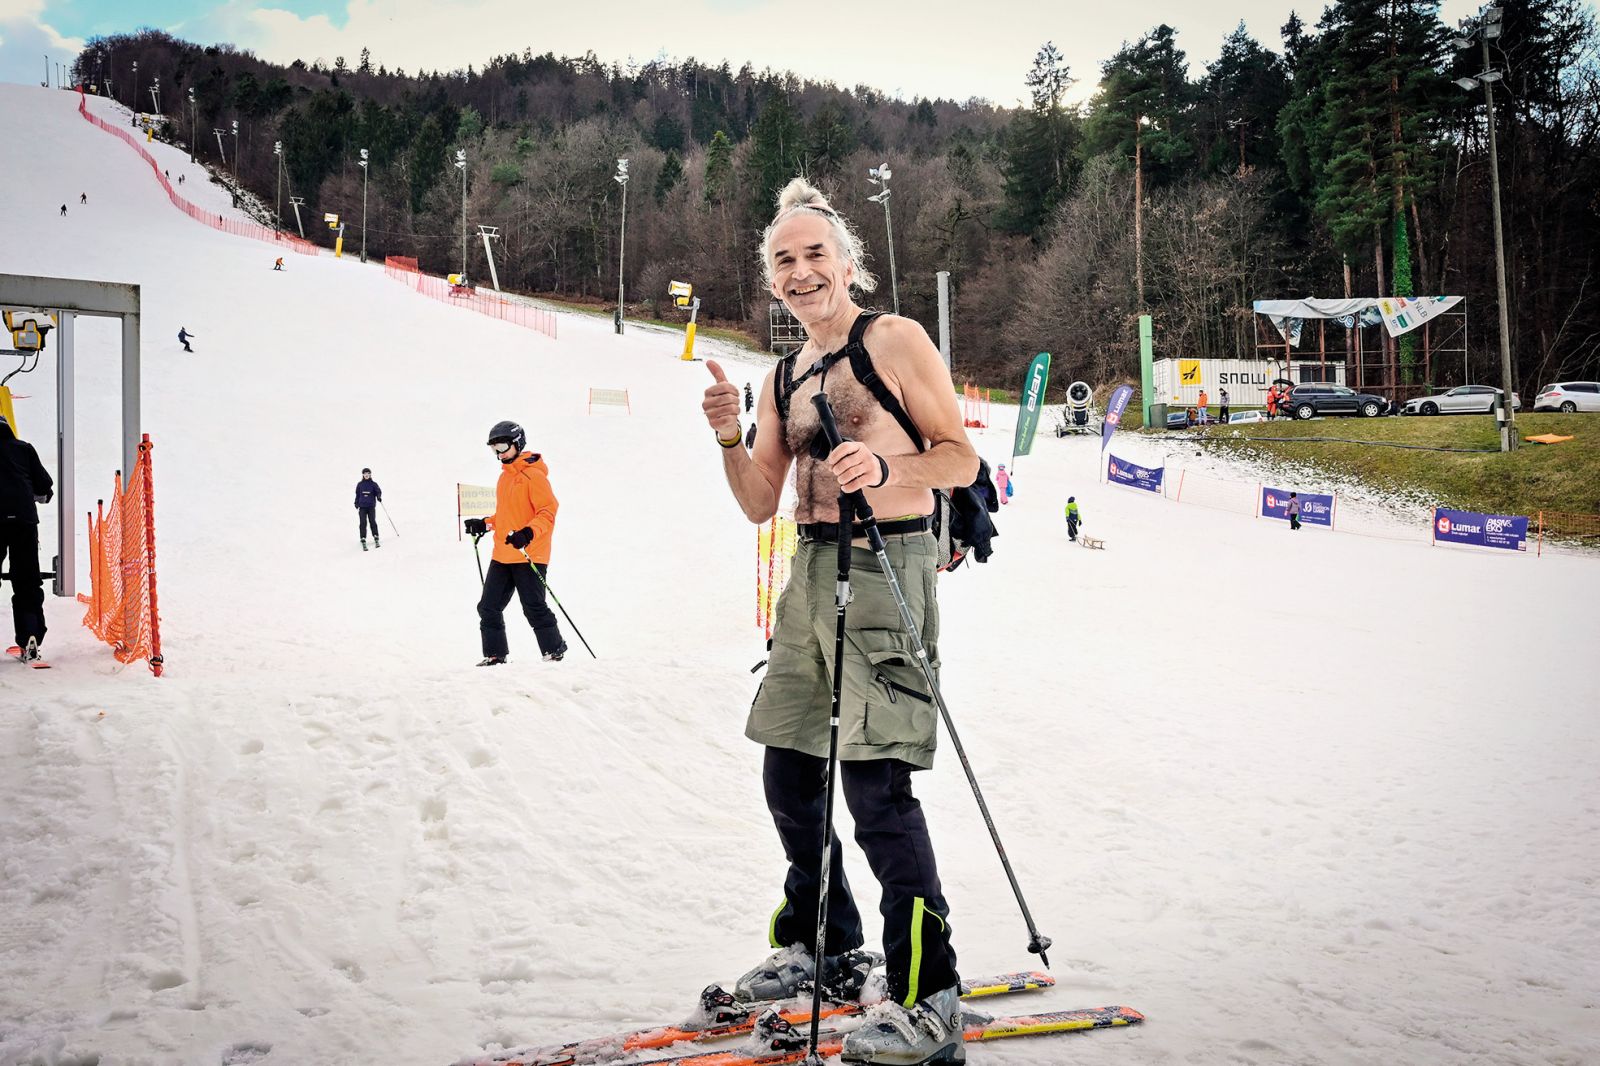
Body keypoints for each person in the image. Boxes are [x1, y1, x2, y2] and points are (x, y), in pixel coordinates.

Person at [700, 177, 976, 1066]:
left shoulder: (891, 339)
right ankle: (828, 945)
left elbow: (960, 458)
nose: (801, 270)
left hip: (886, 564)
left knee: (877, 791)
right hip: (810, 575)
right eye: (784, 259)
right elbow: (756, 504)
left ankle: (929, 994)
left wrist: (884, 473)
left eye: (815, 253)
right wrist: (726, 438)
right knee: (790, 774)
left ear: (846, 262)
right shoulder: (784, 374)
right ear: (771, 280)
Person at [462, 420, 566, 666]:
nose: (498, 454)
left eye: (502, 447)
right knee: (488, 607)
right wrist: (485, 523)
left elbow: (547, 512)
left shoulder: (534, 476)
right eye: (494, 449)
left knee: (533, 606)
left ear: (517, 443)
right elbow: (506, 516)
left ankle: (554, 649)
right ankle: (496, 655)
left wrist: (528, 533)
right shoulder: (504, 479)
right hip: (503, 554)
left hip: (529, 553)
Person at [0, 415, 53, 664]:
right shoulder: (23, 448)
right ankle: (30, 636)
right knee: (27, 580)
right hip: (23, 520)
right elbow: (44, 487)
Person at [354, 467, 382, 550]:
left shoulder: (373, 484)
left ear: (370, 474)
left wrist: (378, 497)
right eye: (365, 474)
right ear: (363, 475)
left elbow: (378, 491)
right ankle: (363, 537)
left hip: (371, 506)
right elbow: (357, 495)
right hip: (362, 507)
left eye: (368, 473)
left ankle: (375, 536)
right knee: (363, 522)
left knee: (372, 521)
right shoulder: (360, 484)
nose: (366, 475)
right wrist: (356, 503)